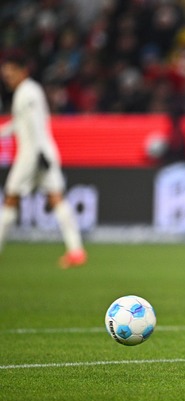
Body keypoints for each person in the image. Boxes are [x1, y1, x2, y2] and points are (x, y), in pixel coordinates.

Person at [0, 52, 86, 268]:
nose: (7, 77)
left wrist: (39, 155)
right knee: (56, 198)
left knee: (11, 198)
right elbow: (20, 124)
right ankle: (76, 251)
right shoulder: (28, 91)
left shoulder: (27, 92)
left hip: (33, 154)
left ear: (22, 71)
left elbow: (37, 125)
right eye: (5, 74)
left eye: (11, 73)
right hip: (42, 152)